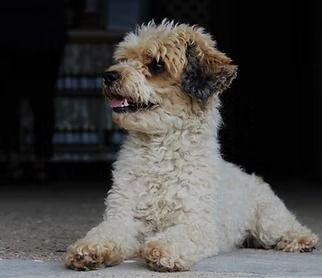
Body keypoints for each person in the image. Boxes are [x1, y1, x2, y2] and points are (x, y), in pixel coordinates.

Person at [0, 0, 66, 181]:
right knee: (42, 103)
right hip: (45, 35)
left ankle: (13, 159)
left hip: (10, 34)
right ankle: (41, 161)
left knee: (9, 103)